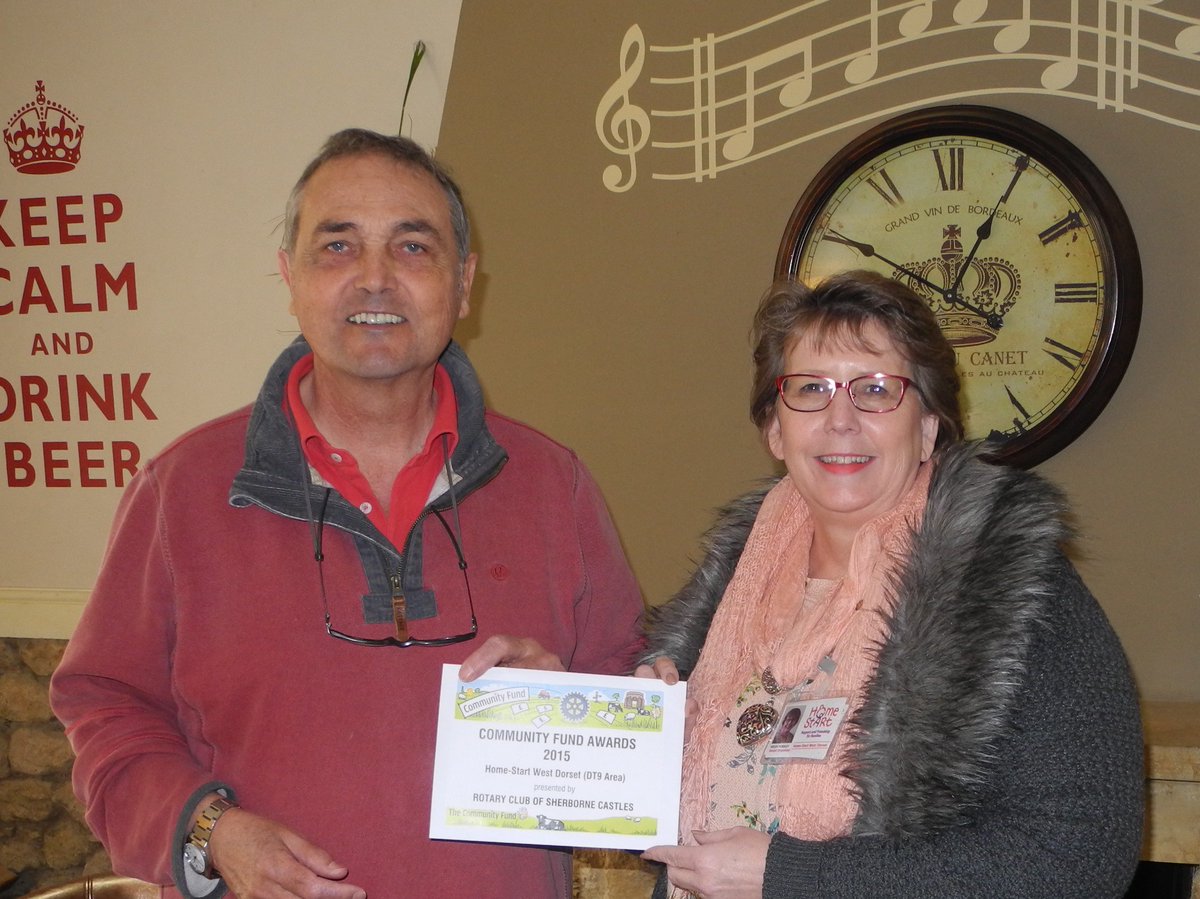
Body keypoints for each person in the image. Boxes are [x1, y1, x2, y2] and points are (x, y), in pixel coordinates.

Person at [50, 128, 644, 899]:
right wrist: (212, 831)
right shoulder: (181, 492)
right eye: (336, 246)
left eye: (412, 247)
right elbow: (107, 707)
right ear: (289, 277)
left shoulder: (554, 486)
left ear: (464, 285)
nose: (374, 279)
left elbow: (629, 693)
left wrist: (569, 709)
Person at [638, 271, 1143, 898]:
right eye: (810, 389)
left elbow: (1077, 857)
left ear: (928, 426)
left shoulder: (1006, 592)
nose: (839, 419)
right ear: (774, 427)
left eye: (875, 390)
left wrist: (793, 878)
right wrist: (625, 736)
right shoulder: (731, 589)